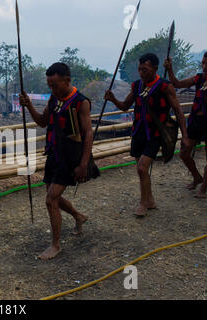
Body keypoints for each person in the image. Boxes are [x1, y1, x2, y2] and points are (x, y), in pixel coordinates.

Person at [19, 63, 99, 260]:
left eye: (54, 85)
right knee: (51, 194)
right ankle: (79, 216)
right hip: (54, 153)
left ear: (67, 80)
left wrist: (83, 163)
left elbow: (88, 133)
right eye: (49, 85)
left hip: (71, 156)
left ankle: (55, 245)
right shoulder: (54, 99)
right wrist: (29, 105)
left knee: (51, 199)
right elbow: (43, 122)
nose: (52, 89)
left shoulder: (81, 102)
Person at [105, 53, 189, 216]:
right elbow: (124, 106)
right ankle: (150, 199)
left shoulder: (165, 87)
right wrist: (113, 99)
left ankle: (143, 204)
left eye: (145, 68)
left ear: (155, 68)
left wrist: (184, 135)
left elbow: (178, 110)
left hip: (156, 133)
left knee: (142, 168)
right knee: (141, 168)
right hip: (138, 132)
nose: (141, 72)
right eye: (139, 68)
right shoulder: (136, 86)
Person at [164, 52, 207, 197]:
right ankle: (197, 177)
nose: (205, 67)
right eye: (203, 63)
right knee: (184, 152)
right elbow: (177, 84)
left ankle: (203, 188)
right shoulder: (199, 78)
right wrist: (170, 69)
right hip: (196, 121)